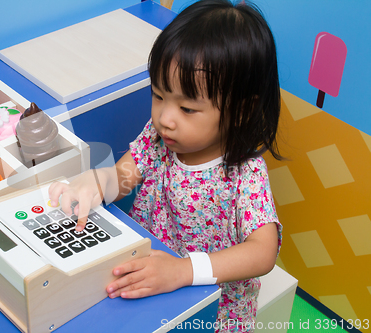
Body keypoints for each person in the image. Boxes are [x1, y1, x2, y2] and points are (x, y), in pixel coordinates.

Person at [49, 0, 282, 331]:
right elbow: (124, 176)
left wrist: (183, 271)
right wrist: (95, 184)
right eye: (158, 95)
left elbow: (263, 252)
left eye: (187, 108)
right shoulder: (160, 137)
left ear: (240, 111)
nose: (165, 118)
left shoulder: (244, 172)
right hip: (148, 273)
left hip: (210, 308)